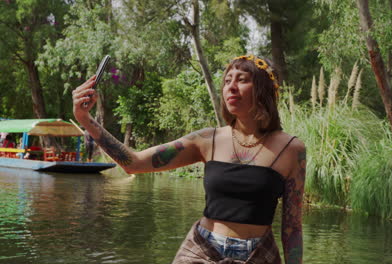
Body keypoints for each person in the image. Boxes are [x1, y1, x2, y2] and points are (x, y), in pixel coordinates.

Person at [72, 55, 305, 263]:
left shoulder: (292, 150)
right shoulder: (206, 139)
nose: (231, 87)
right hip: (202, 252)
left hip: (258, 255)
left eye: (242, 79)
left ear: (263, 89)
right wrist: (85, 118)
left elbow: (292, 228)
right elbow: (134, 163)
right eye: (226, 81)